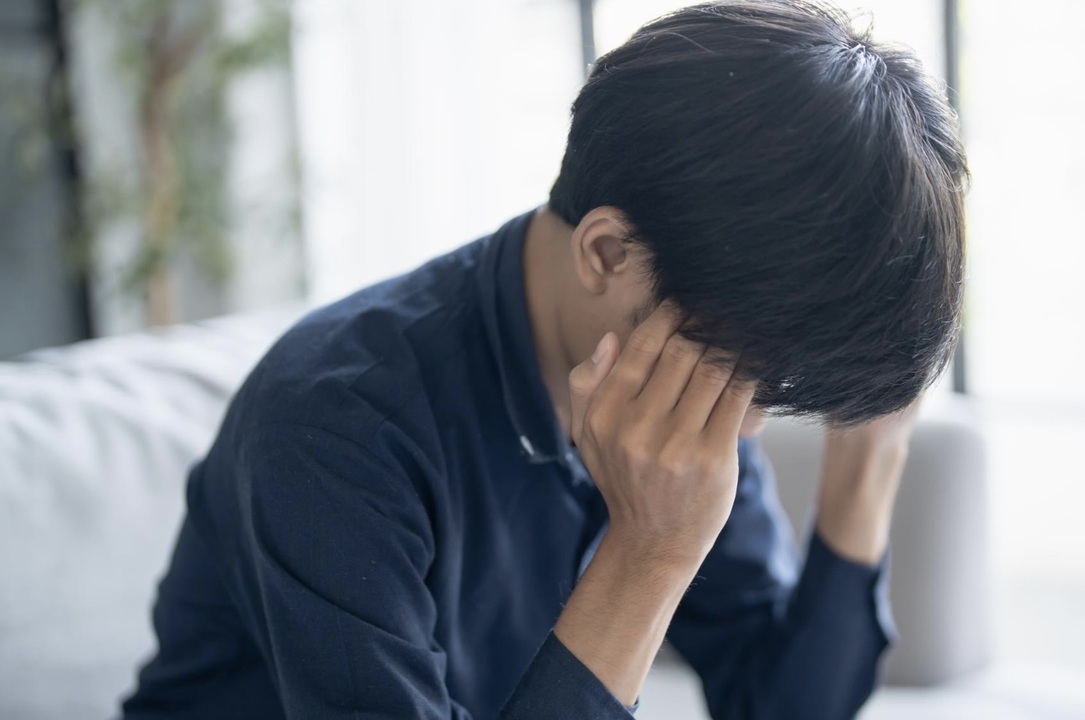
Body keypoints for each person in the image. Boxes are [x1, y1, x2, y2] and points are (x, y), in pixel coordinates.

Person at [120, 1, 967, 718]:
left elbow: (777, 704)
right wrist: (648, 553)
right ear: (607, 254)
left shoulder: (679, 368)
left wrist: (870, 452)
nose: (745, 428)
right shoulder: (334, 426)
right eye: (753, 376)